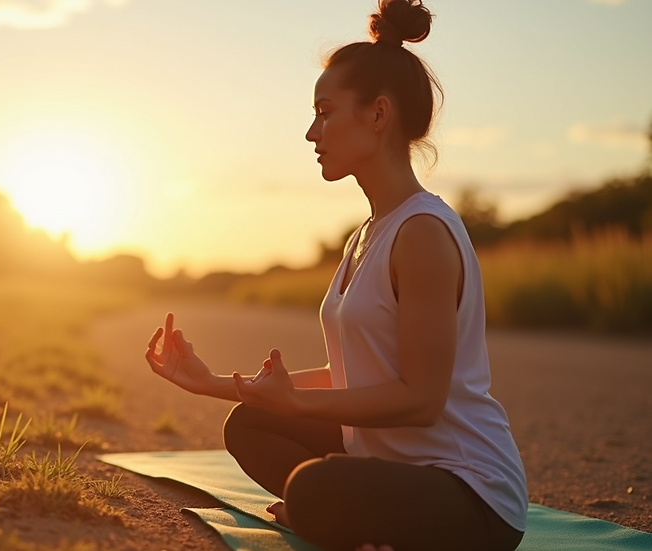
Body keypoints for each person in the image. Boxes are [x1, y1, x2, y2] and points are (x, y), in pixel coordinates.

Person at [143, 1, 528, 550]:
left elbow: (422, 398)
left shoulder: (421, 234)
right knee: (247, 423)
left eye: (325, 112)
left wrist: (294, 403)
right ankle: (348, 518)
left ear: (377, 115)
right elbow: (352, 370)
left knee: (314, 488)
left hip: (468, 494)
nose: (310, 132)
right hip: (392, 466)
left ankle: (336, 512)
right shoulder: (367, 234)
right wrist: (214, 383)